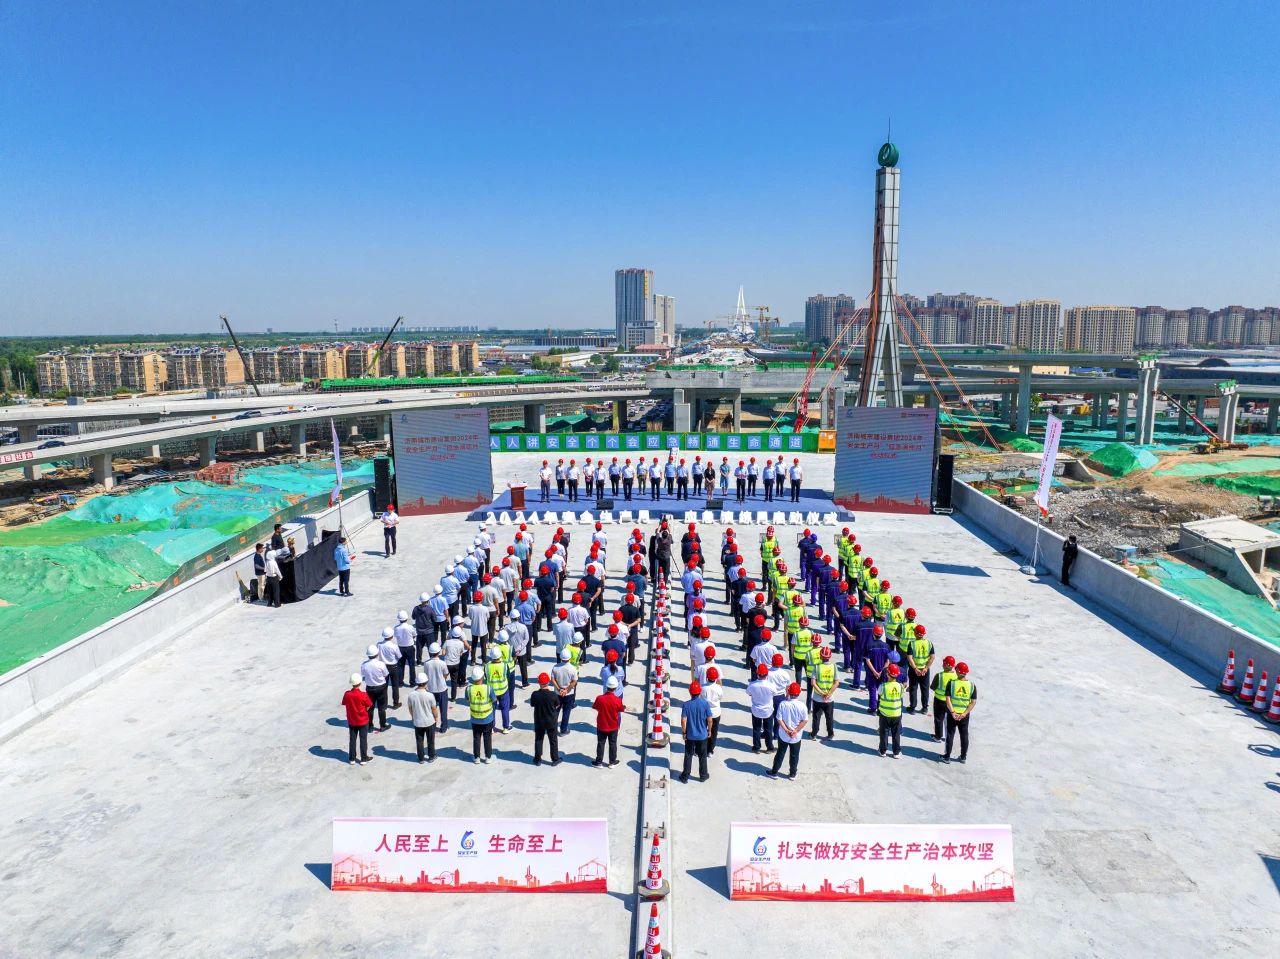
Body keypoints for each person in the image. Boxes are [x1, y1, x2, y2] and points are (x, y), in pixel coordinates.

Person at [768, 682, 807, 779]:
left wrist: (786, 730)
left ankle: (774, 772)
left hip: (783, 735)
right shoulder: (802, 706)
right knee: (794, 755)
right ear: (799, 693)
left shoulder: (783, 704)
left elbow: (779, 719)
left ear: (788, 692)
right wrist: (795, 731)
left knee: (780, 753)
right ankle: (792, 774)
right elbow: (804, 720)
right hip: (796, 737)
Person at [943, 661, 977, 763]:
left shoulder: (952, 683)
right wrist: (964, 713)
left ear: (957, 671)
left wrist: (953, 712)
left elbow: (948, 699)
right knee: (964, 735)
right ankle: (963, 757)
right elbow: (973, 702)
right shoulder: (971, 685)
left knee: (950, 735)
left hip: (952, 715)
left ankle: (947, 757)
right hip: (964, 716)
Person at [679, 681, 712, 783]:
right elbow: (710, 720)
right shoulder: (705, 704)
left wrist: (684, 733)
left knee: (688, 755)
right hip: (702, 736)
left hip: (690, 735)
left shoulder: (686, 705)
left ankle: (685, 776)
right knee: (702, 756)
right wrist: (709, 730)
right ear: (700, 692)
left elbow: (683, 721)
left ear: (690, 692)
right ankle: (703, 775)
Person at [406, 671, 440, 764]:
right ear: (426, 682)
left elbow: (410, 708)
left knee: (419, 741)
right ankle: (431, 756)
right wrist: (436, 717)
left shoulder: (411, 695)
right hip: (429, 722)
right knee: (430, 740)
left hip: (418, 722)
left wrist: (413, 717)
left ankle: (421, 758)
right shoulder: (430, 695)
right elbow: (434, 709)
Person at [592, 676, 625, 767]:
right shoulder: (617, 700)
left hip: (601, 725)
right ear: (615, 687)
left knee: (601, 743)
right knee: (613, 744)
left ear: (606, 686)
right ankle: (612, 762)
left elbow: (595, 707)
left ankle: (599, 762)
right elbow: (621, 709)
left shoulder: (599, 698)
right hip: (613, 726)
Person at [530, 673, 562, 766]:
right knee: (553, 740)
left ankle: (537, 759)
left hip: (539, 721)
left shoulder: (535, 694)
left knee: (539, 739)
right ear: (548, 682)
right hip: (551, 721)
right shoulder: (553, 695)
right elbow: (557, 704)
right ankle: (555, 759)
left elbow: (532, 704)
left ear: (538, 682)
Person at [342, 673, 373, 766]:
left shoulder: (347, 694)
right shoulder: (363, 695)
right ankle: (363, 759)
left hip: (352, 720)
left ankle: (352, 758)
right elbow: (369, 705)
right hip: (363, 720)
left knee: (352, 739)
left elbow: (344, 703)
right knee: (363, 739)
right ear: (360, 683)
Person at [467, 667, 495, 764]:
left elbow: (467, 700)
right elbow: (494, 700)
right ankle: (488, 757)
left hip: (475, 718)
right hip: (487, 718)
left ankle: (477, 758)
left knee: (476, 737)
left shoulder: (469, 689)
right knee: (487, 737)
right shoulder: (488, 688)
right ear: (482, 677)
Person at [420, 642, 451, 732]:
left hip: (430, 689)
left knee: (431, 709)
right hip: (442, 689)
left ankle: (432, 726)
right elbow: (446, 674)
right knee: (443, 709)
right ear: (438, 652)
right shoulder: (442, 663)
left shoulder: (426, 664)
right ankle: (444, 727)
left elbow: (426, 675)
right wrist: (442, 680)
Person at [360, 644, 390, 732]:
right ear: (377, 654)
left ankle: (370, 726)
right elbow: (386, 674)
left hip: (369, 688)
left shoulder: (364, 665)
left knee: (370, 708)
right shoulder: (381, 664)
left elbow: (363, 675)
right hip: (381, 687)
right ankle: (382, 725)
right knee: (381, 708)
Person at [810, 647, 838, 740]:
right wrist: (828, 694)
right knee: (829, 717)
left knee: (816, 717)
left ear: (821, 656)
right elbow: (836, 682)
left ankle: (814, 734)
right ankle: (830, 734)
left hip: (818, 698)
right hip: (829, 699)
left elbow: (813, 683)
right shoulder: (834, 667)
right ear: (830, 656)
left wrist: (821, 693)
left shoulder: (817, 667)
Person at [747, 663, 776, 753]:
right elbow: (774, 694)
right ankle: (769, 747)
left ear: (757, 673)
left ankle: (756, 747)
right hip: (768, 711)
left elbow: (749, 693)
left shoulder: (752, 685)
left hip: (756, 710)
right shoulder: (771, 685)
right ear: (767, 674)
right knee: (768, 730)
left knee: (756, 729)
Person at [878, 664, 904, 758]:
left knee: (884, 733)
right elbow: (901, 696)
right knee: (896, 734)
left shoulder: (883, 686)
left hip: (884, 714)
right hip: (896, 714)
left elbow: (879, 694)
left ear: (887, 674)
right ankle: (896, 752)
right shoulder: (901, 686)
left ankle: (883, 751)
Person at [906, 624, 934, 713]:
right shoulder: (929, 643)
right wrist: (926, 668)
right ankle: (925, 708)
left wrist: (915, 668)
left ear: (915, 633)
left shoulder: (912, 644)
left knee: (913, 688)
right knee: (925, 689)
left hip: (914, 670)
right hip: (925, 670)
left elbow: (909, 657)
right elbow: (932, 657)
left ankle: (912, 708)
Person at [930, 655, 959, 742]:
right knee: (949, 720)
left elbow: (933, 687)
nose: (942, 664)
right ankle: (948, 737)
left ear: (947, 665)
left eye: (944, 663)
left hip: (939, 701)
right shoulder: (956, 676)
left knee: (938, 719)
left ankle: (938, 736)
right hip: (951, 702)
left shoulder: (939, 676)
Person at [552, 648, 579, 734]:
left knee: (556, 711)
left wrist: (559, 689)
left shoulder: (555, 667)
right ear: (569, 658)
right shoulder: (573, 669)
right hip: (569, 694)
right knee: (566, 713)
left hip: (557, 693)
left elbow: (553, 680)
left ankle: (553, 729)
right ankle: (563, 730)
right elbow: (574, 681)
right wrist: (567, 690)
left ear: (560, 657)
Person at [442, 626, 470, 702]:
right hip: (456, 664)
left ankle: (442, 695)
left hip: (447, 664)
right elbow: (461, 653)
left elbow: (443, 653)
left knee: (443, 680)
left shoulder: (447, 642)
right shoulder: (461, 644)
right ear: (459, 635)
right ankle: (453, 698)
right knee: (454, 681)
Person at [701, 667, 723, 754]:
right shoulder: (719, 688)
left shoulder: (702, 687)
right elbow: (720, 698)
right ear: (716, 678)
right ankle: (710, 750)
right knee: (714, 732)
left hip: (705, 713)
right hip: (716, 713)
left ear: (707, 677)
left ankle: (702, 748)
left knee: (703, 730)